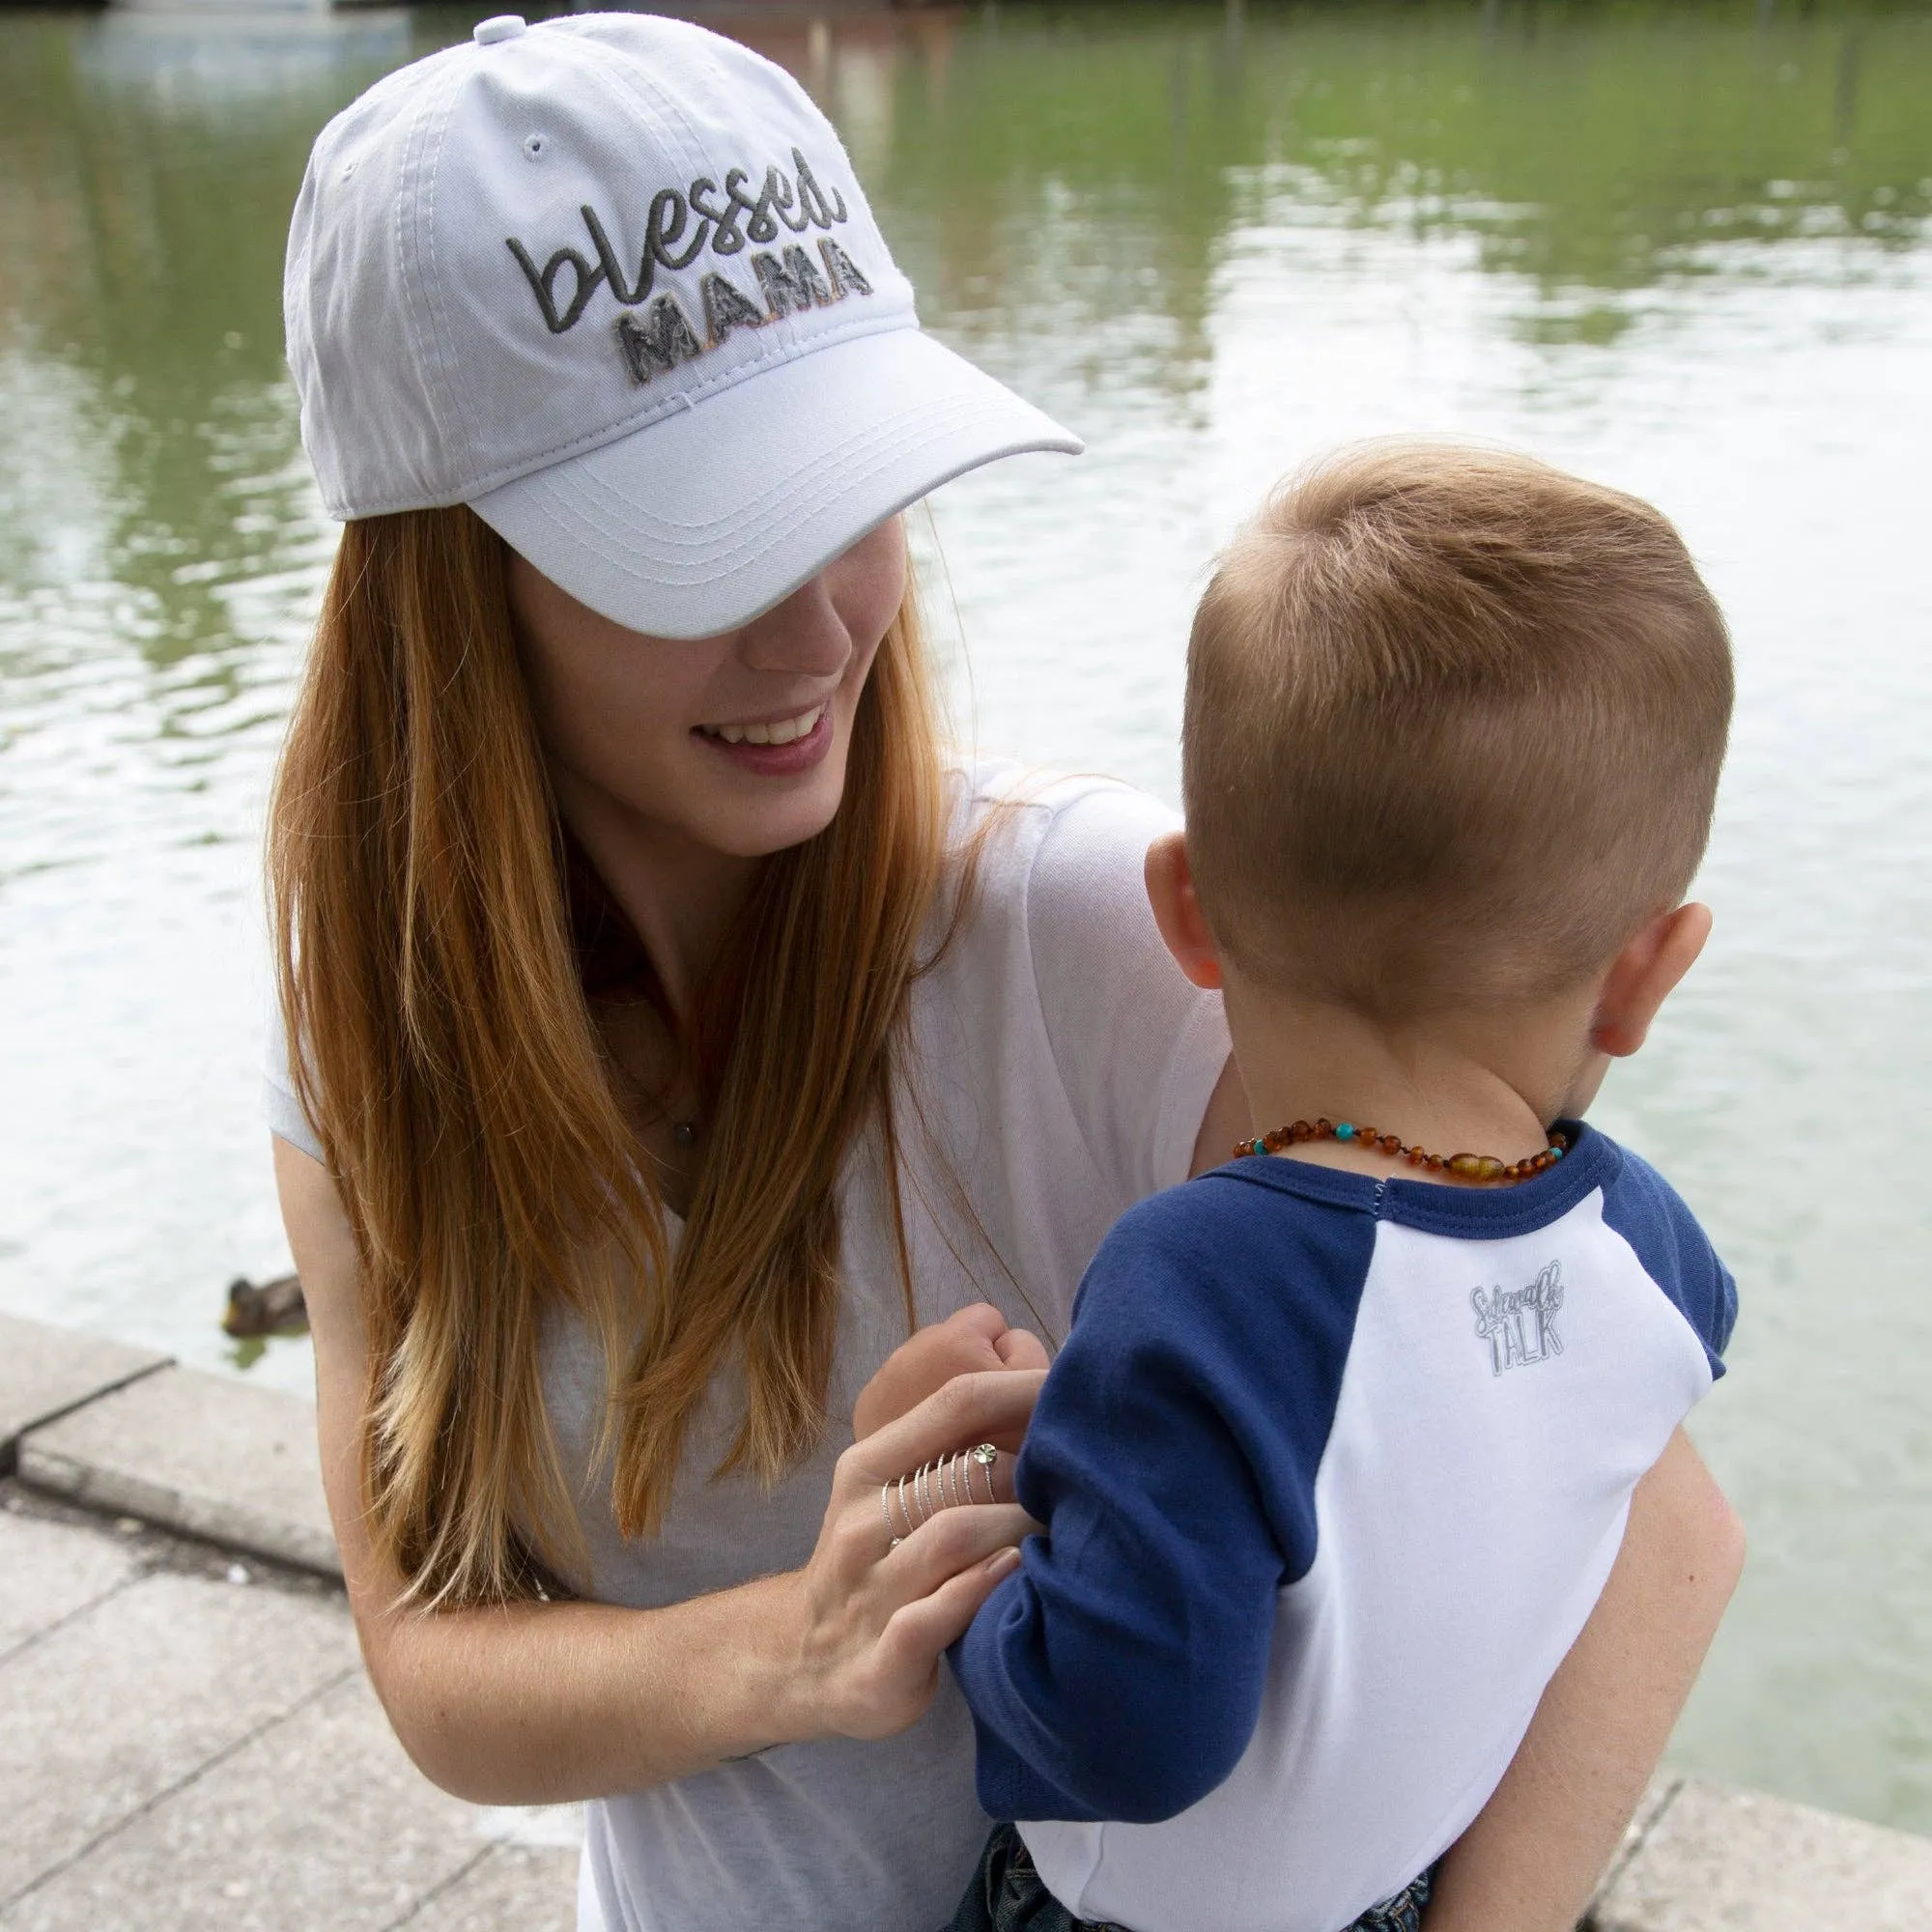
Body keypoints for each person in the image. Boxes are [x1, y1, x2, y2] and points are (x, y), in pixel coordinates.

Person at [265, 16, 1743, 1932]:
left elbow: (1648, 1517)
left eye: (849, 490)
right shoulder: (356, 1010)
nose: (824, 627)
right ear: (448, 587)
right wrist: (796, 1647)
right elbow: (432, 1664)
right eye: (703, 541)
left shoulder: (1088, 936)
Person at [857, 443, 1740, 1932]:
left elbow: (1128, 1736)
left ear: (1184, 908)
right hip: (1398, 1897)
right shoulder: (1654, 1257)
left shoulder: (1200, 1284)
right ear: (1647, 972)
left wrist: (959, 1528)